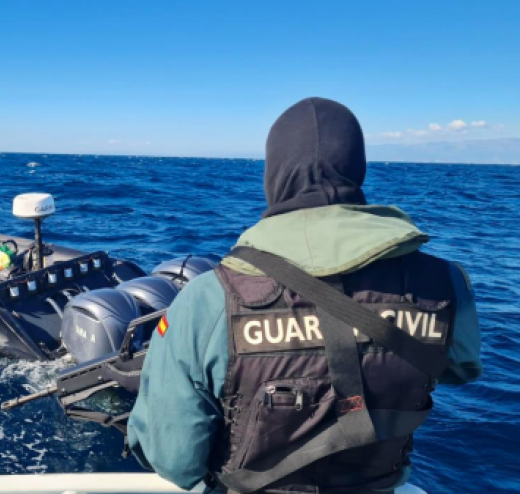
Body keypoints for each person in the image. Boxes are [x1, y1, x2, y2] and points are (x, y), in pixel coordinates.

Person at [127, 97, 482, 493]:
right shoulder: (445, 283)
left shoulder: (210, 296)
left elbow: (173, 459)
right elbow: (460, 369)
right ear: (356, 169)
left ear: (273, 176)